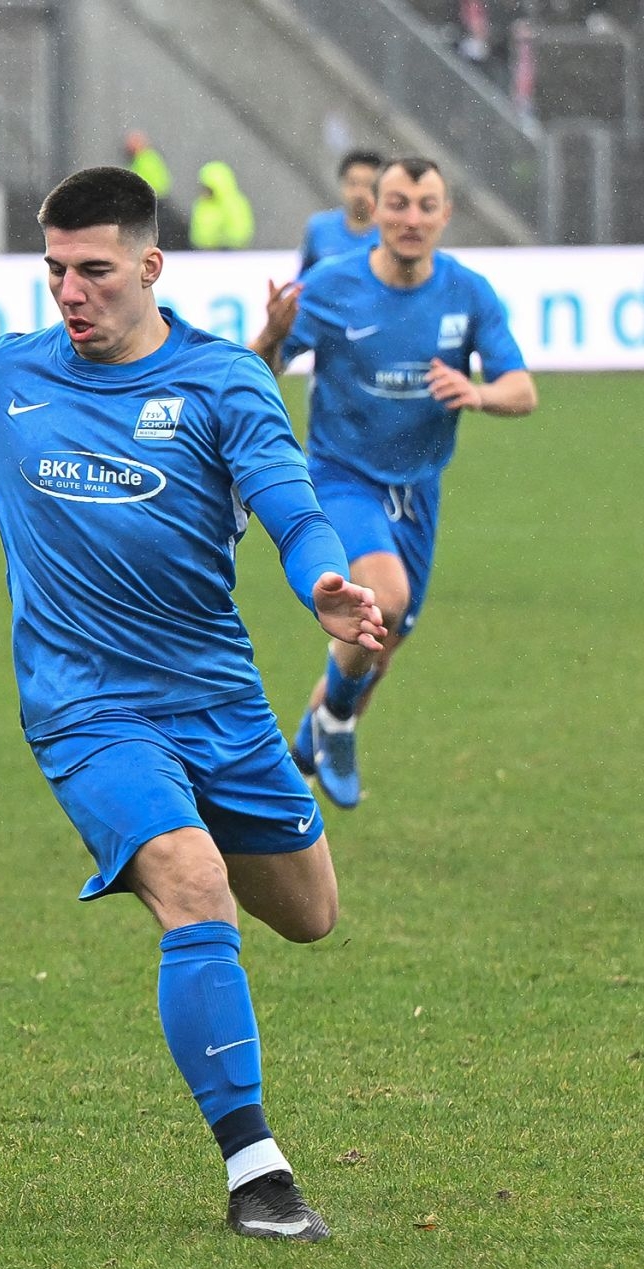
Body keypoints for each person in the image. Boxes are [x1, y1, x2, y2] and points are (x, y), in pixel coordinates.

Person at [0, 167, 387, 1242]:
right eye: (55, 270)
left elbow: (292, 507)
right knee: (195, 887)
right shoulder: (7, 376)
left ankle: (178, 847)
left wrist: (324, 582)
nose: (71, 292)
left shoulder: (226, 380)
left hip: (219, 701)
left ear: (150, 265)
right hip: (86, 706)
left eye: (94, 270)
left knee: (309, 913)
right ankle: (258, 1175)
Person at [251, 157, 537, 810]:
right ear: (373, 209)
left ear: (446, 215)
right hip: (341, 475)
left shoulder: (467, 292)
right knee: (384, 597)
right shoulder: (330, 286)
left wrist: (478, 392)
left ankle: (326, 720)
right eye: (399, 203)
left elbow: (523, 390)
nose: (412, 218)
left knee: (386, 636)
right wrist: (272, 333)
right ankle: (339, 723)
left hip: (420, 489)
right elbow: (256, 375)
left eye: (425, 205)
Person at [298, 149, 382, 274]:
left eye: (367, 184)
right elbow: (304, 279)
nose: (359, 193)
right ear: (342, 184)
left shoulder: (389, 231)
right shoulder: (320, 227)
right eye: (352, 183)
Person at [188, 160, 255, 250]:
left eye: (207, 188)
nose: (204, 191)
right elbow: (197, 233)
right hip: (204, 253)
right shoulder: (201, 204)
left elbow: (241, 231)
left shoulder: (234, 204)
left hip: (229, 254)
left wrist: (221, 241)